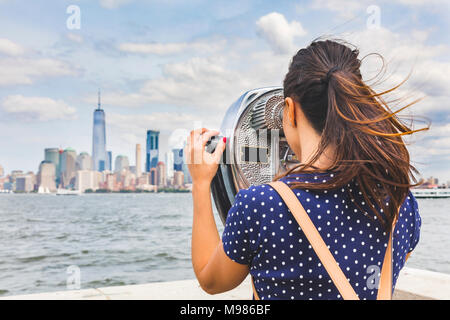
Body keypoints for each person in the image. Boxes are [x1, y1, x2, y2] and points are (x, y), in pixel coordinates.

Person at [186, 39, 424, 300]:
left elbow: (212, 281)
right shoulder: (402, 203)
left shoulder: (259, 206)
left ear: (289, 109)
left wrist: (201, 184)